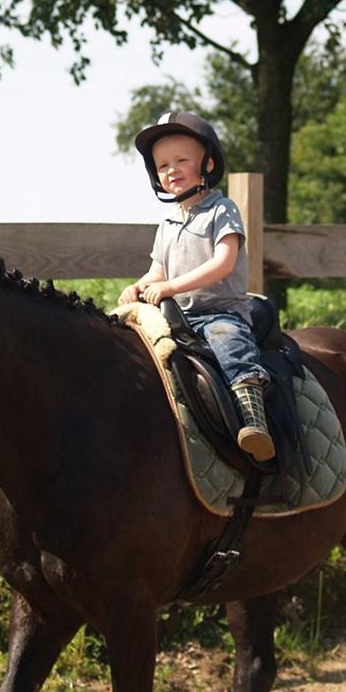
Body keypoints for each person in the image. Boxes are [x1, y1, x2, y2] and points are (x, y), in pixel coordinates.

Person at [119, 111, 275, 462]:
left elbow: (224, 262)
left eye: (181, 160)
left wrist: (172, 286)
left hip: (220, 311)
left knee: (229, 342)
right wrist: (140, 286)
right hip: (179, 317)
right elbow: (157, 270)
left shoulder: (222, 210)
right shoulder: (169, 222)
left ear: (207, 164)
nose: (171, 169)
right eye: (162, 165)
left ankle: (253, 416)